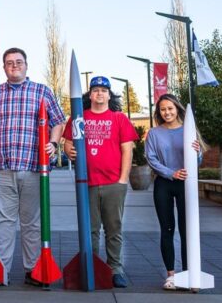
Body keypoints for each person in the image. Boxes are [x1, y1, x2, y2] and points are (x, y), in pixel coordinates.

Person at [0, 47, 65, 286]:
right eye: (9, 62)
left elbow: (59, 121)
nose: (14, 66)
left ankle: (32, 270)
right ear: (4, 67)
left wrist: (53, 143)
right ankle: (1, 270)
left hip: (33, 168)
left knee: (32, 223)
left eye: (19, 62)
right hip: (2, 167)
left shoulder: (42, 91)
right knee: (3, 222)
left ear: (26, 65)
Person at [63, 76, 137, 288]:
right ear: (90, 94)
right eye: (95, 90)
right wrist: (68, 151)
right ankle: (93, 268)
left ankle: (115, 269)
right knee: (91, 230)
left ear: (109, 95)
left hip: (114, 183)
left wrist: (123, 180)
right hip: (87, 184)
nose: (100, 93)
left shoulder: (119, 118)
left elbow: (127, 150)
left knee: (114, 229)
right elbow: (68, 142)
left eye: (104, 90)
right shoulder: (79, 117)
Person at [145, 94, 204, 290]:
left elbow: (197, 161)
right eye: (163, 109)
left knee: (187, 230)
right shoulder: (154, 133)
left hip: (186, 185)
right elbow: (151, 159)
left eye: (170, 108)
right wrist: (171, 173)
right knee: (167, 229)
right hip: (164, 184)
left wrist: (197, 153)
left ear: (177, 108)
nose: (167, 112)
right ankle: (171, 275)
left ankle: (189, 273)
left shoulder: (188, 130)